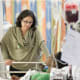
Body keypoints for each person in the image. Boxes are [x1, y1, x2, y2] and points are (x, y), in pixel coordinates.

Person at [1, 9, 54, 80]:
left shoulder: (35, 31)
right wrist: (6, 58)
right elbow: (3, 43)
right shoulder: (12, 31)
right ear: (20, 20)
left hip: (31, 68)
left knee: (45, 69)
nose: (28, 24)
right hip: (16, 68)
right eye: (25, 21)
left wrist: (48, 57)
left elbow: (42, 44)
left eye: (30, 22)